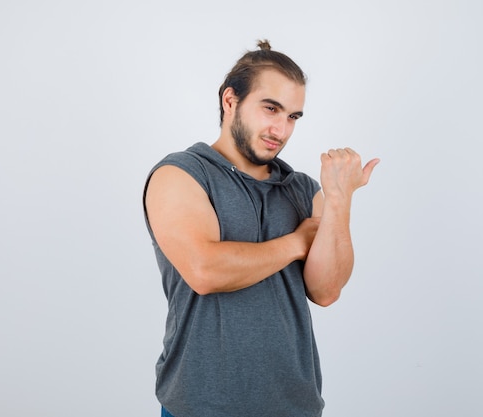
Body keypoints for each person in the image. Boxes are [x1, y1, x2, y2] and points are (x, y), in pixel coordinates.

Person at [143, 39, 379, 417]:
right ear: (230, 100)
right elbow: (205, 271)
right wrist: (297, 241)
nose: (281, 129)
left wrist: (338, 200)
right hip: (201, 407)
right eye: (271, 108)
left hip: (294, 406)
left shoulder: (303, 189)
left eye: (293, 117)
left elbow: (327, 290)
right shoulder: (181, 174)